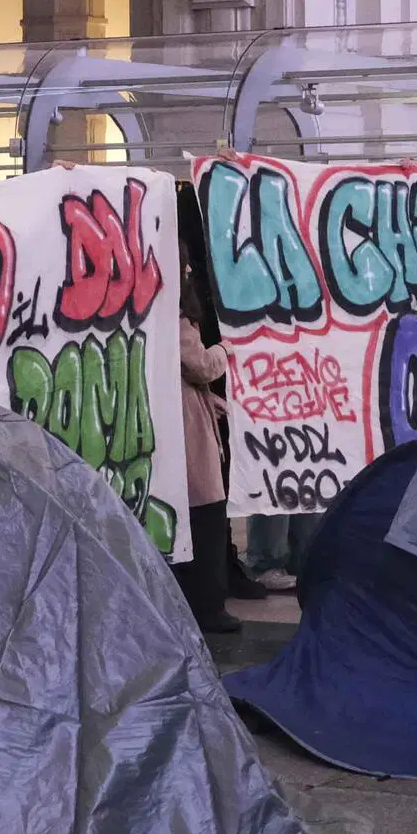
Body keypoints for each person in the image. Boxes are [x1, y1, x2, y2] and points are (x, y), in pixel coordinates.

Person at [172, 260, 247, 635]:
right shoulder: (179, 319)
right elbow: (199, 365)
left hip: (182, 416)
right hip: (188, 428)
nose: (189, 269)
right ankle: (209, 606)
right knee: (207, 513)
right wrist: (224, 350)